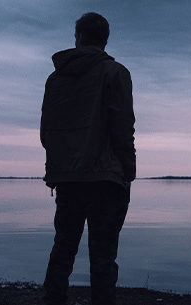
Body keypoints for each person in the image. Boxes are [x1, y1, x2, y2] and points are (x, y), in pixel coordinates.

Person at [40, 12, 135, 305]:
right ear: (105, 40)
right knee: (103, 258)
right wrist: (128, 169)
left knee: (63, 250)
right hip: (106, 178)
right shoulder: (116, 73)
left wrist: (59, 166)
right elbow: (122, 127)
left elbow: (47, 132)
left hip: (68, 177)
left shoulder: (55, 79)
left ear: (78, 37)